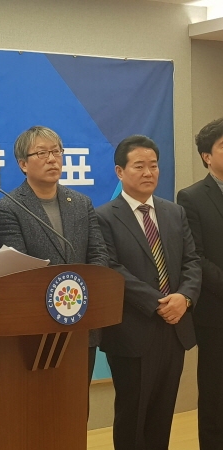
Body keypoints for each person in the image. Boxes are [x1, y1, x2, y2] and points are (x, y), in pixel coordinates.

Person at [96, 135, 201, 450]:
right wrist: (158, 303)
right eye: (139, 166)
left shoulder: (174, 212)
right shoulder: (104, 216)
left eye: (153, 166)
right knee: (133, 414)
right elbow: (111, 268)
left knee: (162, 413)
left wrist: (184, 297)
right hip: (132, 330)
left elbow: (192, 261)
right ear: (120, 171)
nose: (148, 173)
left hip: (174, 328)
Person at [0, 125, 108, 386]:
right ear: (23, 164)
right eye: (41, 153)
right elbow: (19, 270)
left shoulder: (81, 203)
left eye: (56, 152)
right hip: (37, 328)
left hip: (81, 322)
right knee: (40, 401)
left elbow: (99, 255)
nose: (52, 159)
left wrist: (80, 296)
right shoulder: (8, 207)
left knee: (78, 401)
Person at [177, 117, 223, 449]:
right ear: (207, 156)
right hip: (216, 313)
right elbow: (196, 257)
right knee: (215, 394)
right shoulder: (191, 197)